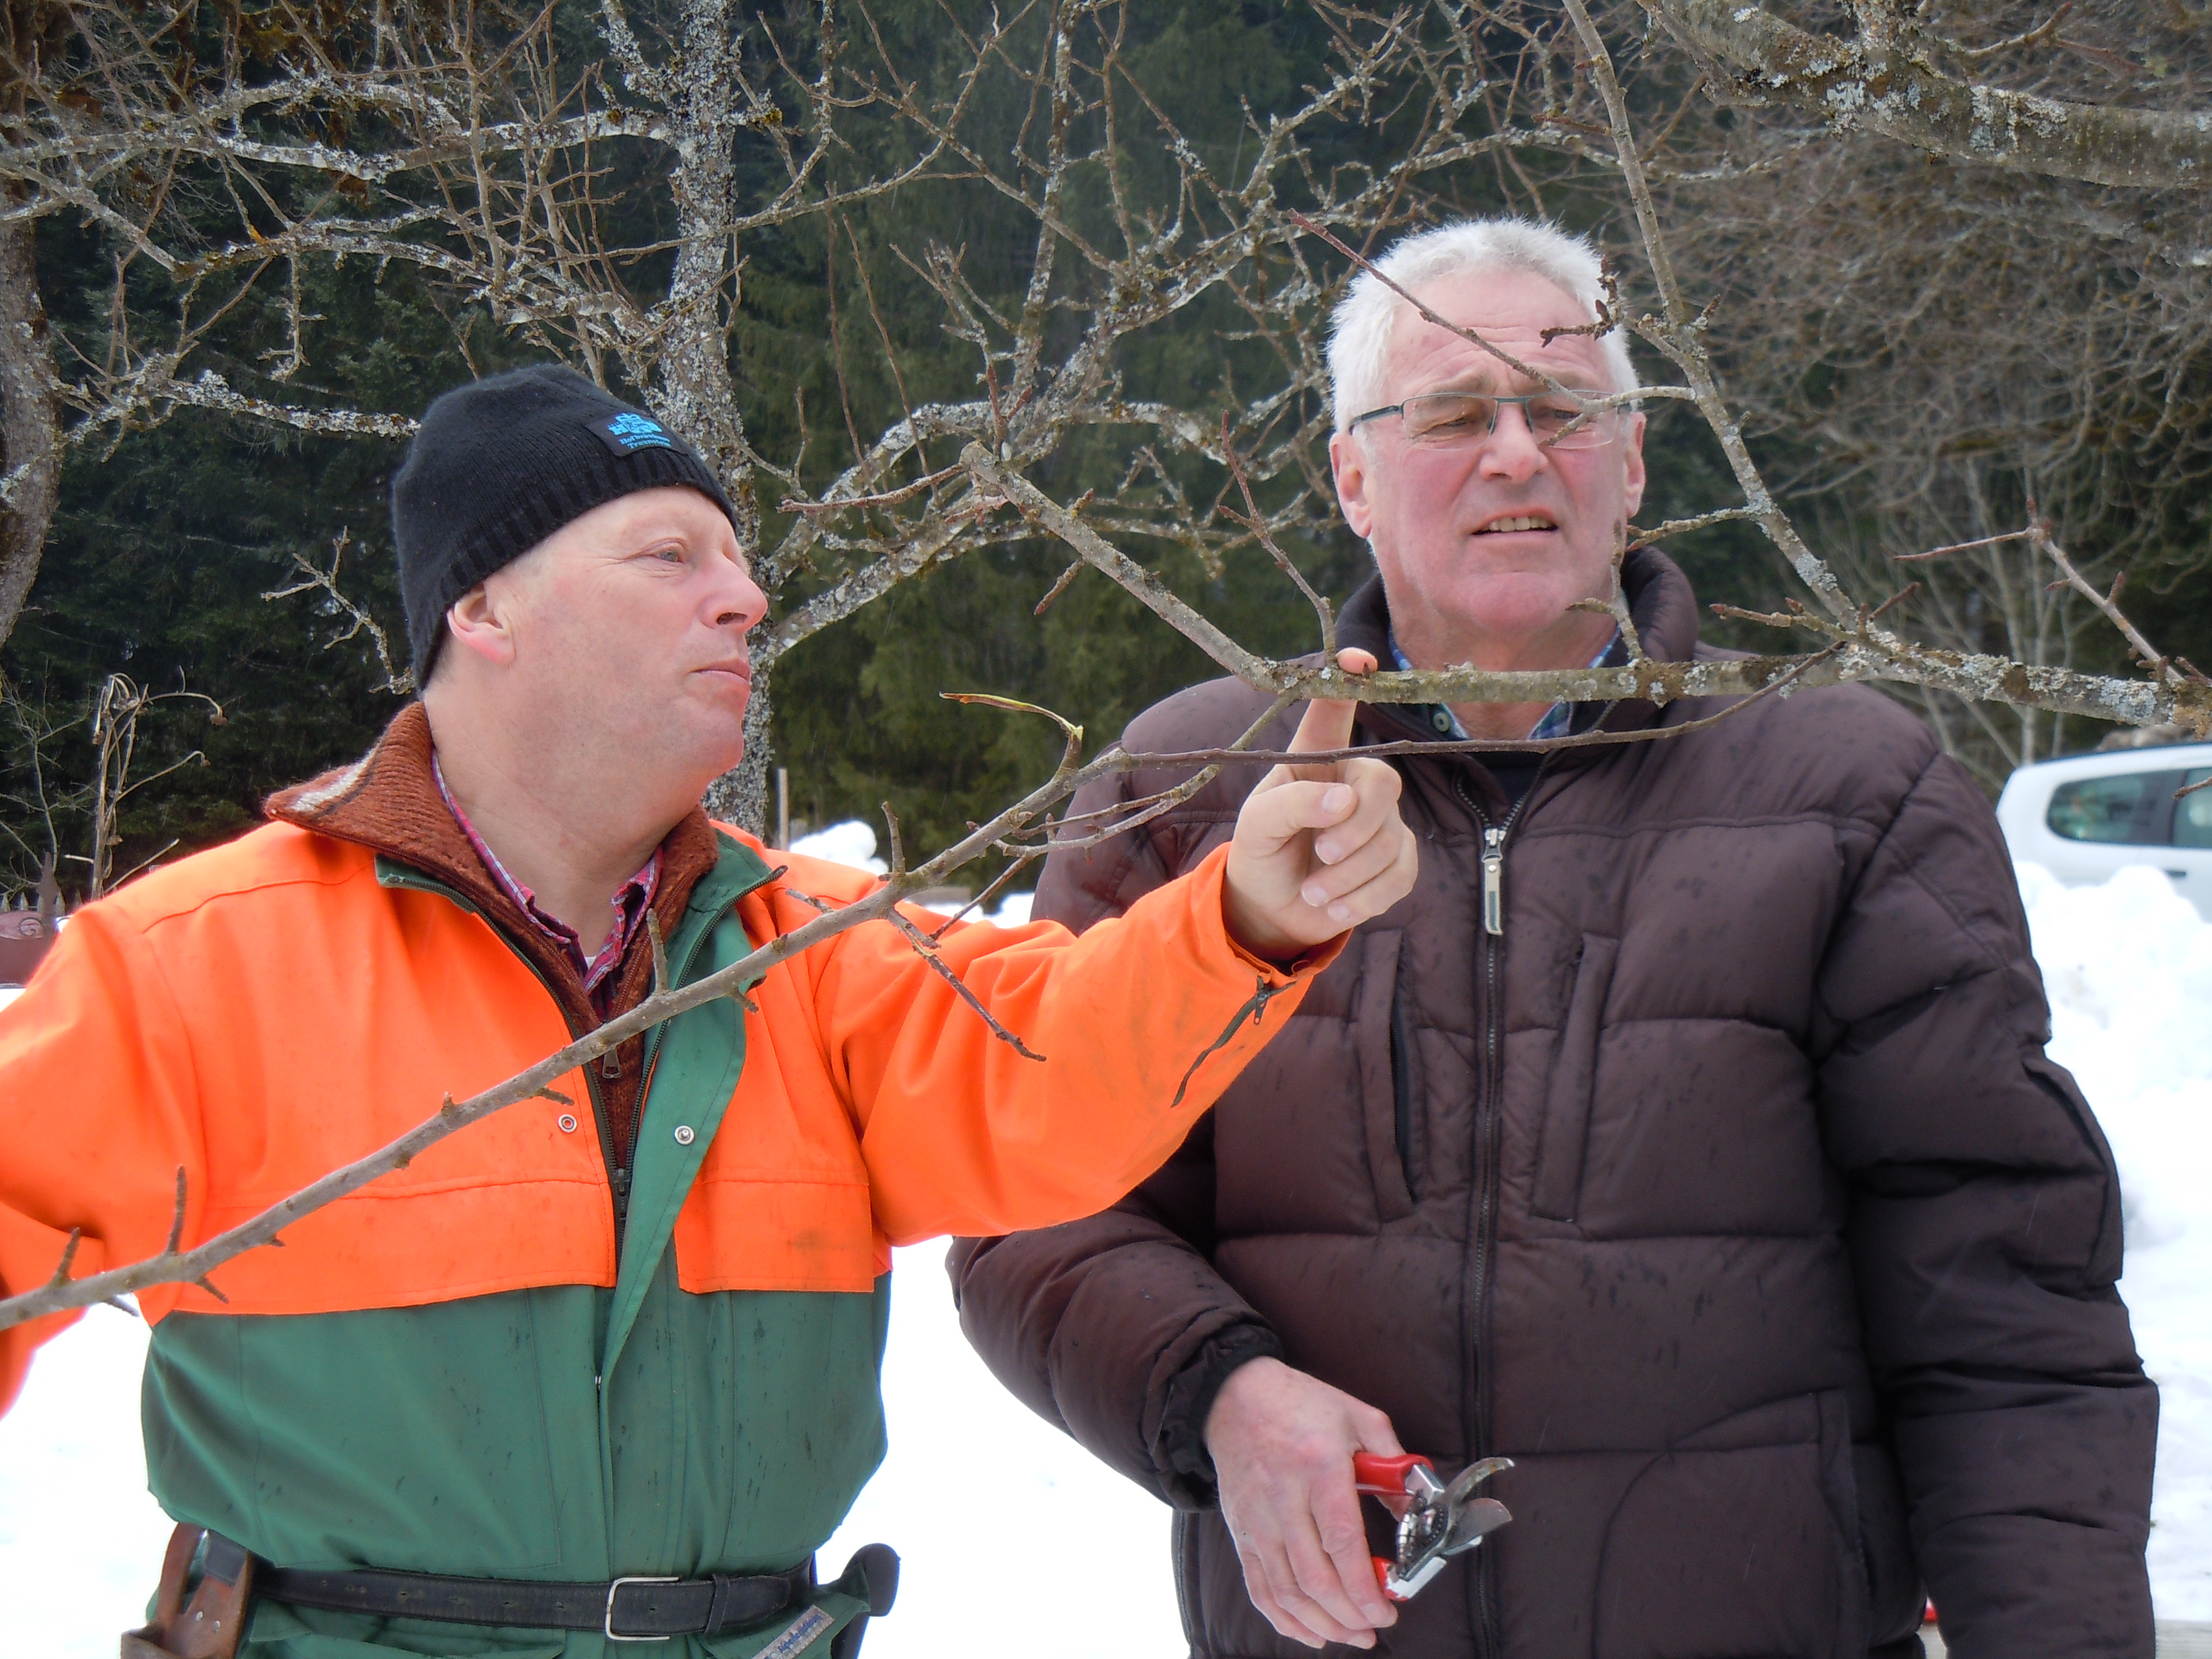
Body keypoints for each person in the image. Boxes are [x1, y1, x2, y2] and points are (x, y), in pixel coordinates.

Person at [0, 364, 1418, 1659]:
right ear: (482, 609)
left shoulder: (813, 947)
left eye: (737, 563)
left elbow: (1043, 1060)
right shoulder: (191, 964)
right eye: (671, 558)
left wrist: (1249, 918)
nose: (742, 598)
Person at [949, 219, 2158, 1659]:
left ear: (1633, 463)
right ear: (1353, 476)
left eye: (1565, 409)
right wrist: (1215, 1388)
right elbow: (1032, 1195)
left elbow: (2003, 1305)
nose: (1516, 451)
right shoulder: (1188, 796)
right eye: (1455, 414)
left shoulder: (1847, 794)